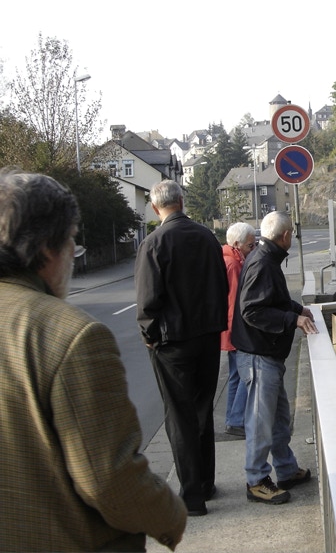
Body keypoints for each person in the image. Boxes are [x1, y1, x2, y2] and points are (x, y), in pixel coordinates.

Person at [0, 169, 186, 551]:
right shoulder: (71, 334)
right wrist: (172, 517)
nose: (73, 251)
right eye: (71, 238)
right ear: (47, 247)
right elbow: (108, 479)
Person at [135, 180, 228, 517]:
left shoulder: (154, 242)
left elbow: (147, 299)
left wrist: (149, 335)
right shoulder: (207, 237)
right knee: (202, 410)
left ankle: (192, 496)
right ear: (182, 202)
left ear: (155, 207)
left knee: (179, 416)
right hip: (208, 335)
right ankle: (205, 482)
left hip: (172, 341)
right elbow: (222, 283)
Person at [232, 211, 317, 505]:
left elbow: (273, 299)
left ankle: (286, 469)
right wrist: (292, 319)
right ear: (285, 235)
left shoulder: (264, 257)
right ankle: (256, 480)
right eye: (292, 232)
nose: (292, 236)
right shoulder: (264, 262)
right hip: (259, 355)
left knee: (278, 419)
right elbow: (252, 310)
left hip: (265, 354)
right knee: (261, 422)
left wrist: (296, 309)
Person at [221, 221, 256, 438]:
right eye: (250, 245)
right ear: (237, 244)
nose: (253, 249)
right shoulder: (233, 264)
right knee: (246, 374)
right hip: (236, 329)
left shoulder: (226, 258)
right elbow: (236, 302)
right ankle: (236, 420)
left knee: (235, 374)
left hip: (228, 328)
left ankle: (231, 419)